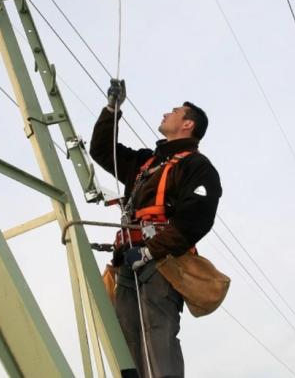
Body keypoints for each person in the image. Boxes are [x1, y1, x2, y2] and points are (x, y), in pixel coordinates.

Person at [89, 79, 222, 377]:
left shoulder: (196, 166)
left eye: (175, 111)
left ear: (187, 124)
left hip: (161, 265)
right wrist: (112, 109)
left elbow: (197, 218)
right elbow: (101, 151)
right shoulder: (145, 163)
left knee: (156, 338)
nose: (167, 113)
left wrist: (150, 253)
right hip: (128, 264)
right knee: (127, 342)